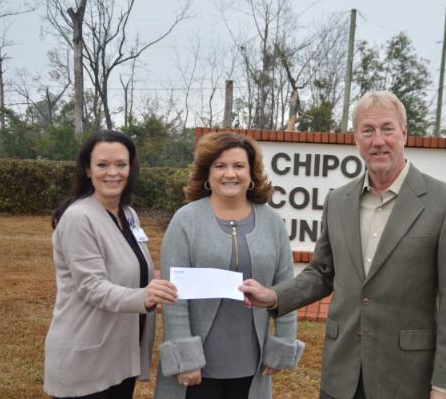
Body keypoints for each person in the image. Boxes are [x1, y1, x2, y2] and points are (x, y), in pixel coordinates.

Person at [241, 90, 446, 399]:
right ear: (356, 139)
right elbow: (323, 272)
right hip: (342, 376)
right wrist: (273, 295)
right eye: (367, 131)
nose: (377, 140)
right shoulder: (338, 201)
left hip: (407, 380)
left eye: (387, 129)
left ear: (404, 133)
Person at [154, 132, 304, 399]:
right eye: (220, 166)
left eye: (238, 166)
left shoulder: (272, 223)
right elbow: (174, 297)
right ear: (207, 174)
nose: (230, 174)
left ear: (251, 173)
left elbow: (286, 290)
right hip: (198, 368)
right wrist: (184, 357)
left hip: (251, 364)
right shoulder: (185, 221)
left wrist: (281, 345)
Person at [43, 130, 178, 399]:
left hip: (119, 356)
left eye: (121, 164)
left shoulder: (127, 214)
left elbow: (130, 269)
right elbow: (92, 286)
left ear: (131, 168)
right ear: (88, 170)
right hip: (85, 359)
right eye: (102, 165)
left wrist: (160, 282)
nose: (112, 172)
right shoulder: (79, 218)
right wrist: (146, 296)